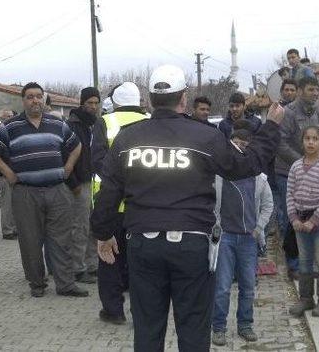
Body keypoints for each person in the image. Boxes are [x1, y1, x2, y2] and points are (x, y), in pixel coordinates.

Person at [91, 64, 285, 351]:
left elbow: (109, 190)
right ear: (183, 99)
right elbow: (246, 165)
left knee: (147, 327)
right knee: (193, 328)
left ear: (150, 99)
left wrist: (103, 233)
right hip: (191, 247)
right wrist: (271, 127)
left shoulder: (128, 138)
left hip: (143, 246)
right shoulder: (205, 136)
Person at [0, 82, 84, 298]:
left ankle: (65, 284)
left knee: (61, 240)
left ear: (43, 100)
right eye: (30, 97)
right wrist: (8, 173)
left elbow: (76, 146)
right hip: (26, 193)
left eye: (39, 96)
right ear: (23, 101)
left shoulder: (57, 124)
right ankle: (37, 284)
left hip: (57, 191)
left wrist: (69, 166)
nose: (35, 100)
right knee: (30, 241)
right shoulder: (10, 127)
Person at [91, 81, 148, 324]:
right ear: (139, 101)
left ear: (115, 102)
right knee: (142, 263)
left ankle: (113, 311)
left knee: (109, 257)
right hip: (143, 206)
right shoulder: (151, 121)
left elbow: (98, 162)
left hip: (111, 206)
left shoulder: (105, 122)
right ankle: (142, 312)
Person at [211, 128, 274, 346]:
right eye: (235, 141)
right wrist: (215, 226)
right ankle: (218, 327)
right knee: (222, 287)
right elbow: (210, 205)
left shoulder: (260, 177)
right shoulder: (219, 175)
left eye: (244, 143)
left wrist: (258, 229)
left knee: (248, 286)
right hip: (226, 239)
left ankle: (245, 325)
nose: (240, 146)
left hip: (249, 239)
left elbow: (268, 206)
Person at [287, 126, 319, 318]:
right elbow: (289, 193)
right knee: (304, 260)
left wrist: (314, 220)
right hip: (299, 221)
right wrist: (294, 218)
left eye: (315, 139)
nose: (310, 142)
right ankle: (306, 299)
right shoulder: (296, 166)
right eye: (307, 138)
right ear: (302, 141)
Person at [274, 76, 319, 279]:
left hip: (312, 172)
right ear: (300, 91)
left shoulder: (315, 111)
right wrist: (301, 162)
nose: (315, 93)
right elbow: (280, 143)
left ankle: (308, 263)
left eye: (316, 90)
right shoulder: (288, 113)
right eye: (311, 90)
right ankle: (293, 265)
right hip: (288, 172)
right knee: (290, 220)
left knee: (310, 217)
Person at [67, 87, 101, 285]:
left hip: (95, 182)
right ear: (82, 103)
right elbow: (65, 156)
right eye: (90, 103)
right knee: (79, 227)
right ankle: (77, 268)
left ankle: (92, 264)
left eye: (96, 103)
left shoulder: (97, 124)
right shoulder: (72, 125)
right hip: (79, 184)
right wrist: (74, 183)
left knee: (93, 226)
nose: (93, 106)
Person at [0, 109, 17, 240]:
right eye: (7, 116)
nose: (10, 118)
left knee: (15, 203)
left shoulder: (13, 131)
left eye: (11, 116)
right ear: (1, 119)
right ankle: (7, 230)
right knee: (7, 203)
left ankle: (14, 228)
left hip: (15, 172)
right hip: (5, 173)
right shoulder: (0, 132)